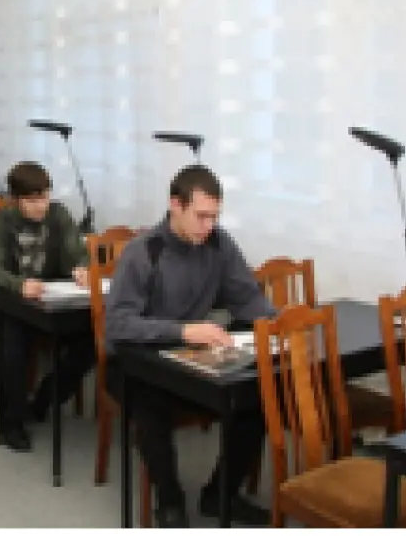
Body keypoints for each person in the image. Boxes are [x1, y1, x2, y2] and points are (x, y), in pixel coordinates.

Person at [104, 165, 277, 528]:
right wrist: (183, 332)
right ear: (175, 205)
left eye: (214, 216)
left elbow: (247, 298)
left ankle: (220, 495)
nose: (208, 225)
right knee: (151, 407)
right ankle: (169, 501)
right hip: (134, 363)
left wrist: (280, 326)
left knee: (256, 399)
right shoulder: (143, 251)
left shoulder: (218, 243)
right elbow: (117, 325)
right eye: (201, 216)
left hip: (189, 360)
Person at [0, 162, 96, 452]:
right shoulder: (0, 222)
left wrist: (81, 268)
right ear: (15, 199)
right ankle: (11, 423)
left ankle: (44, 399)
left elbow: (77, 252)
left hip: (48, 302)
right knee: (13, 340)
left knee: (93, 340)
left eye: (45, 197)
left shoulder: (59, 215)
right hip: (3, 302)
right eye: (32, 200)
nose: (41, 205)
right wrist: (20, 284)